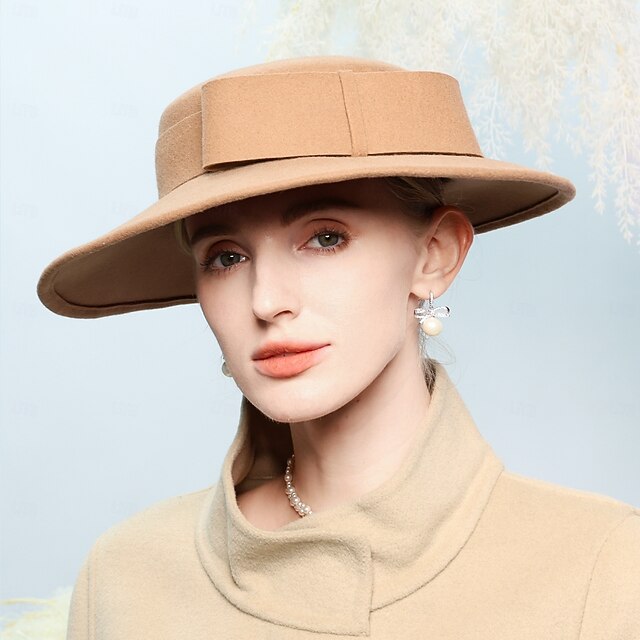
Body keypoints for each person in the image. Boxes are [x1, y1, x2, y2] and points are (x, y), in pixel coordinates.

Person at [37, 56, 639, 638]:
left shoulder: (602, 566)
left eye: (325, 238)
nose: (266, 300)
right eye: (226, 257)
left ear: (435, 255)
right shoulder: (127, 577)